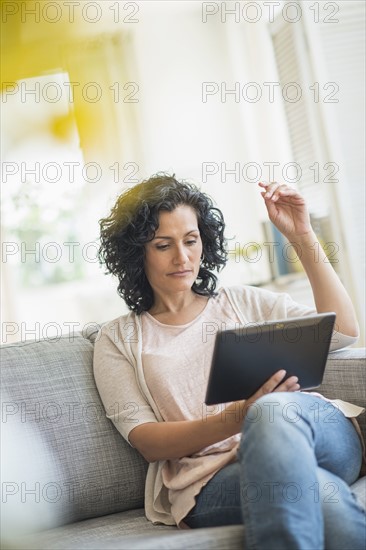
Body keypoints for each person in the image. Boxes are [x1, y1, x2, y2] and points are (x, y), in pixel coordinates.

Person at [93, 173, 365, 549]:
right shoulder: (118, 339)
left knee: (270, 414)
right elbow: (148, 442)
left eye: (191, 240)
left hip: (317, 433)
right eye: (162, 245)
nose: (183, 257)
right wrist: (239, 415)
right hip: (211, 479)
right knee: (319, 493)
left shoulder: (242, 301)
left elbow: (344, 332)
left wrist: (301, 235)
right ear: (136, 251)